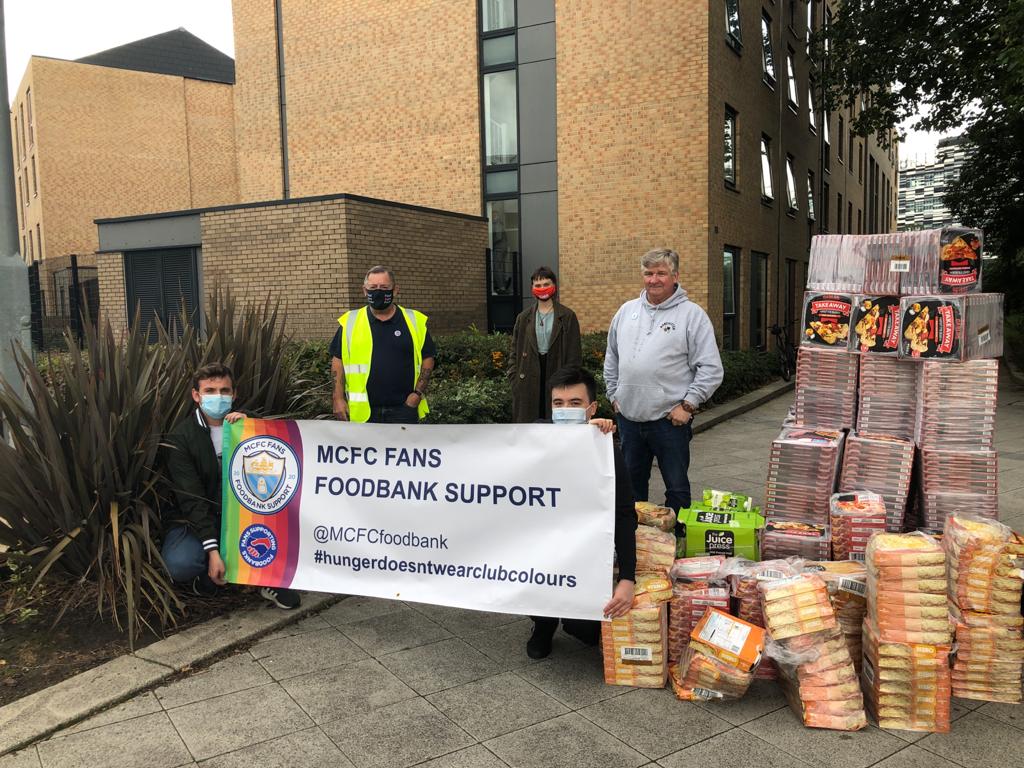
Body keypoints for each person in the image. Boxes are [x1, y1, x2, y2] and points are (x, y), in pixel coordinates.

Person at [162, 363, 301, 609]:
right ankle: (209, 573)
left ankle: (266, 578)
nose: (219, 397)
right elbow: (191, 498)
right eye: (210, 391)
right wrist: (213, 550)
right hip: (200, 518)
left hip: (245, 515)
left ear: (234, 394)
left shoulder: (248, 425)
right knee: (181, 563)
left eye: (225, 391)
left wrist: (253, 431)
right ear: (196, 395)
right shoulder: (182, 438)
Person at [603, 248, 724, 515]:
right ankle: (636, 545)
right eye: (648, 273)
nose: (653, 279)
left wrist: (689, 405)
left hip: (670, 422)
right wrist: (614, 396)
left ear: (675, 276)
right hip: (630, 420)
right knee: (632, 490)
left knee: (677, 488)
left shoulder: (692, 315)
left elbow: (711, 368)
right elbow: (611, 357)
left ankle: (677, 543)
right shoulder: (626, 311)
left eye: (661, 273)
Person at [527, 365, 637, 659]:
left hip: (586, 549)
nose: (565, 410)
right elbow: (530, 431)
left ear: (592, 408)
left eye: (575, 404)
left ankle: (573, 619)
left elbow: (625, 514)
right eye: (558, 404)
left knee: (586, 633)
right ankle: (543, 624)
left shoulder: (606, 450)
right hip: (545, 545)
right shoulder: (537, 440)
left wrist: (628, 577)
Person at [331, 266, 436, 424]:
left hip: (404, 409)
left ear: (395, 290)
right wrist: (337, 398)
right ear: (364, 291)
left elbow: (428, 358)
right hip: (362, 412)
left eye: (384, 288)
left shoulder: (415, 321)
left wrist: (417, 394)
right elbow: (337, 362)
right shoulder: (350, 322)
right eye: (373, 288)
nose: (378, 292)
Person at [510, 267, 583, 422]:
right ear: (532, 289)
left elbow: (574, 355)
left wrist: (568, 381)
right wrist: (514, 379)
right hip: (527, 379)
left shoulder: (568, 316)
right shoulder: (523, 318)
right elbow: (514, 352)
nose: (542, 288)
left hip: (557, 374)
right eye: (538, 285)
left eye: (546, 284)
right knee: (528, 428)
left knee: (555, 425)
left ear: (554, 286)